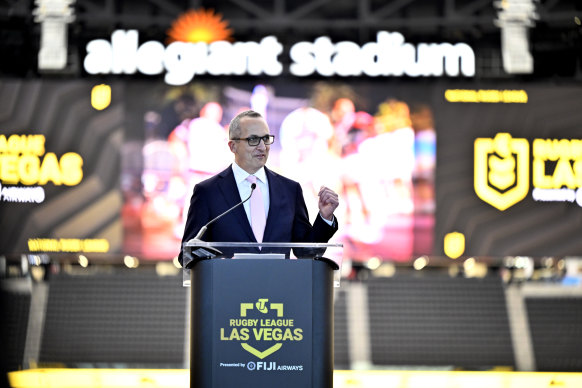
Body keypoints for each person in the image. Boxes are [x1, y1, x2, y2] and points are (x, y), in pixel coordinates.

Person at [178, 110, 339, 266]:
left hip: (279, 291)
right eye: (253, 139)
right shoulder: (208, 192)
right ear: (233, 146)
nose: (262, 147)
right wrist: (219, 264)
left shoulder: (290, 190)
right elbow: (187, 254)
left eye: (266, 138)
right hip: (228, 290)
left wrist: (325, 218)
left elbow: (305, 252)